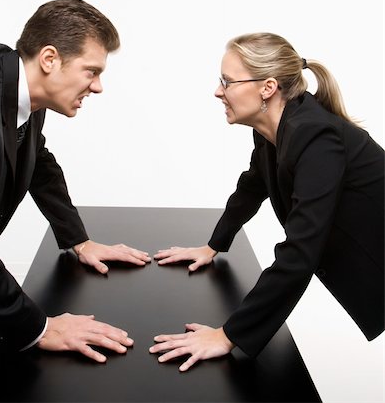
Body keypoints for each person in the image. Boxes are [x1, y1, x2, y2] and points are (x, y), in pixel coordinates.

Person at [150, 32, 384, 371]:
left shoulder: (314, 135)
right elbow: (252, 185)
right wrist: (213, 245)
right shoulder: (275, 131)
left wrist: (228, 335)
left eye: (227, 82)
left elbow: (301, 251)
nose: (218, 91)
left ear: (267, 87)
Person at [0, 0, 151, 363]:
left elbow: (38, 164)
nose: (97, 87)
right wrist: (38, 327)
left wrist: (78, 240)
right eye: (91, 71)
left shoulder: (18, 88)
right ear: (50, 59)